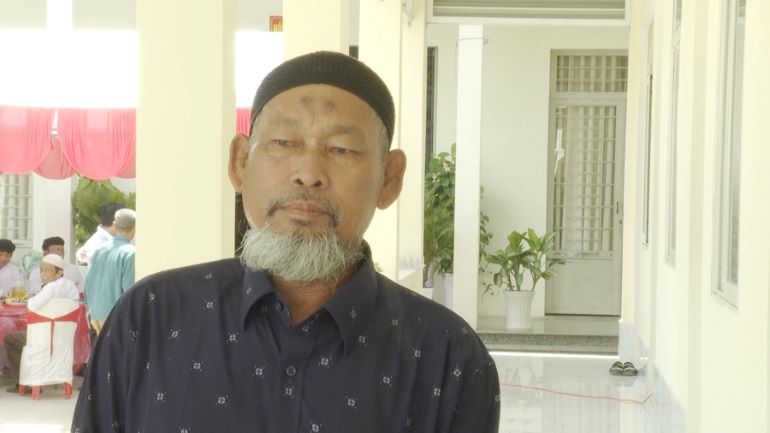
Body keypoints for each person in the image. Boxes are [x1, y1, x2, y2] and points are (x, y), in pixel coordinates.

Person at [72, 51, 500, 433]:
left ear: (389, 179)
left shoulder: (448, 358)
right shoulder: (150, 318)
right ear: (240, 162)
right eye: (283, 142)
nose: (308, 173)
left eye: (342, 149)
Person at [4, 254, 80, 393]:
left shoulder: (50, 288)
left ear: (59, 272)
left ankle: (23, 382)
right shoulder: (71, 287)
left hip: (43, 337)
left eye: (47, 270)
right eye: (41, 270)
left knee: (11, 339)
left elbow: (32, 305)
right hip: (64, 338)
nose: (42, 274)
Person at [82, 208, 136, 336]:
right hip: (116, 316)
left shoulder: (99, 250)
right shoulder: (130, 253)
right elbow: (129, 289)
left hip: (96, 314)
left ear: (115, 225)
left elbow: (88, 282)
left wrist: (90, 308)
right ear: (134, 228)